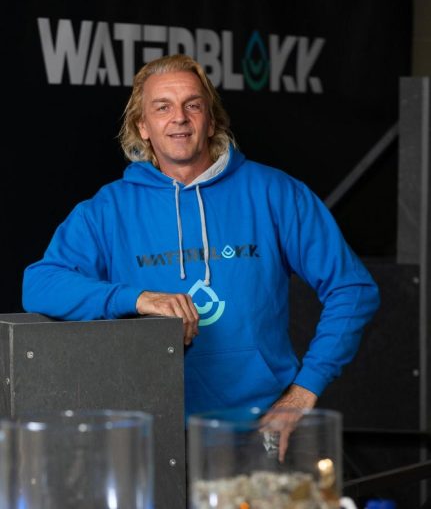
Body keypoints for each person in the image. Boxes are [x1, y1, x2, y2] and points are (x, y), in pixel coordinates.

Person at [22, 54, 380, 425]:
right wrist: (138, 299)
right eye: (163, 107)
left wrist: (304, 390)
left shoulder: (275, 193)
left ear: (211, 121)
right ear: (143, 126)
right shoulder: (107, 210)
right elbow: (39, 284)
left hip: (259, 426)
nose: (179, 117)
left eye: (192, 105)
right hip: (151, 429)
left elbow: (353, 289)